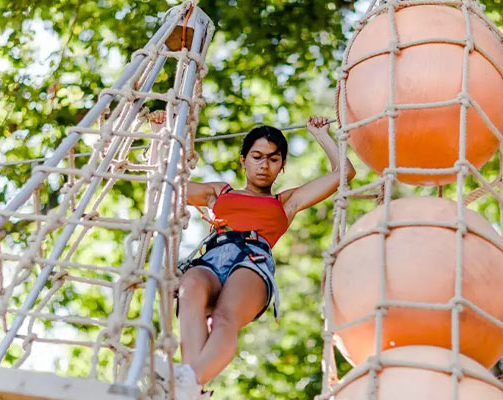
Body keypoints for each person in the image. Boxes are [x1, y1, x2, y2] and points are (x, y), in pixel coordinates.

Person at [147, 111, 355, 399]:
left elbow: (344, 173)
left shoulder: (286, 202)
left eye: (273, 158)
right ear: (242, 160)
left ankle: (189, 383)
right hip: (213, 258)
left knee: (224, 316)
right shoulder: (219, 192)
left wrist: (321, 136)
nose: (264, 165)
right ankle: (191, 385)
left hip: (252, 261)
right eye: (257, 156)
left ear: (282, 166)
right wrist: (160, 135)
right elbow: (163, 185)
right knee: (190, 287)